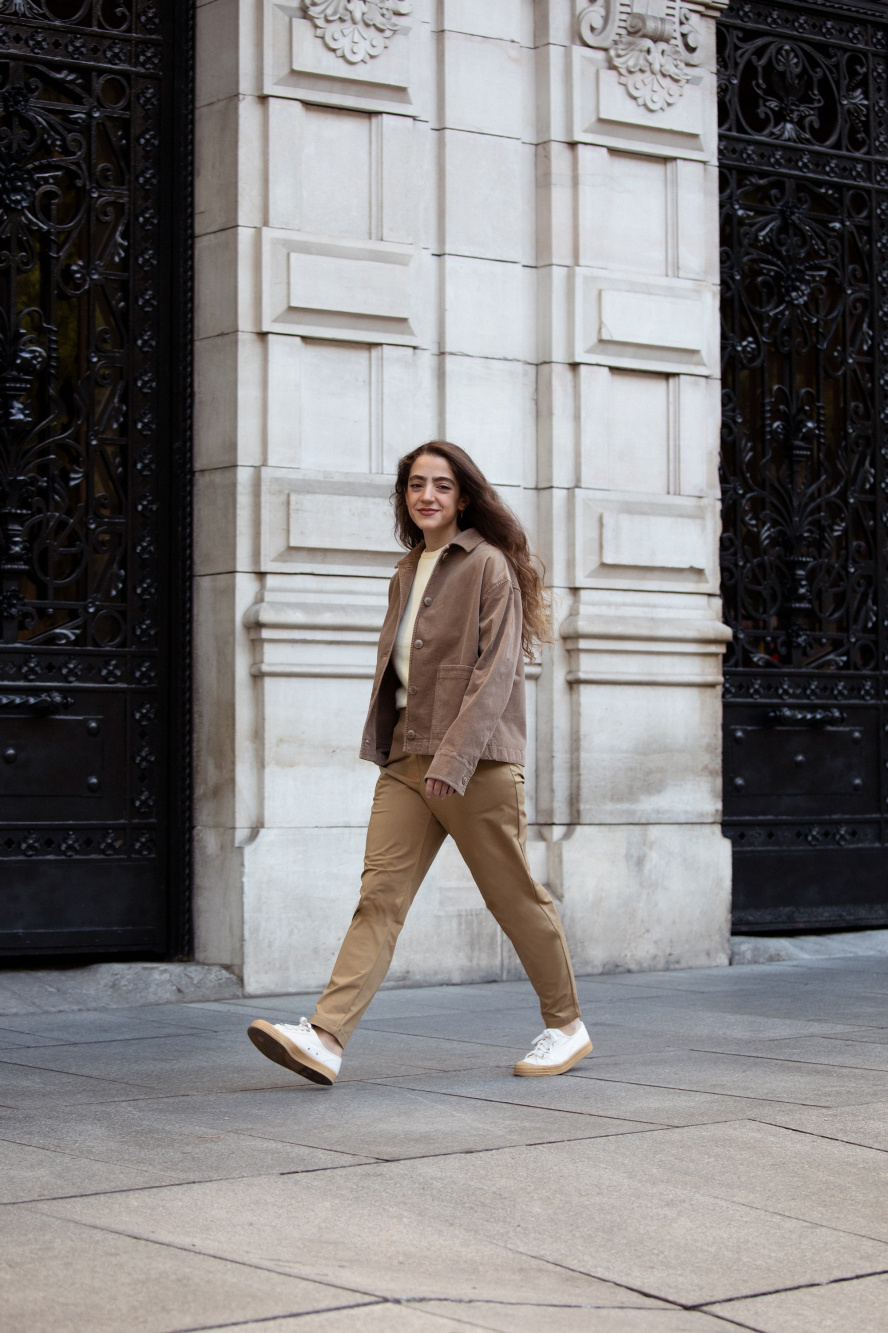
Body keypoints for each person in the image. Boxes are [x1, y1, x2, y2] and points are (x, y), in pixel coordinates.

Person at [248, 442, 591, 1086]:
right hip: (408, 759)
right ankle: (325, 1037)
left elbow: (494, 677)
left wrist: (455, 760)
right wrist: (394, 746)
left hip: (477, 764)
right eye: (414, 485)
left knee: (512, 896)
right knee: (379, 897)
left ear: (464, 496)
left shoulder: (489, 566)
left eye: (440, 484)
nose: (426, 495)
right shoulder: (407, 571)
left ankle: (566, 1026)